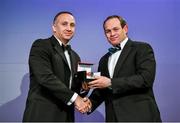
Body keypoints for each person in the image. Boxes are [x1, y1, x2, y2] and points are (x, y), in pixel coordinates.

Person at [87, 15, 162, 122]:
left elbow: (146, 79)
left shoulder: (142, 48)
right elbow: (101, 90)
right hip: (113, 118)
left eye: (115, 29)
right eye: (108, 31)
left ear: (125, 29)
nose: (112, 34)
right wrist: (88, 104)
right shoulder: (104, 60)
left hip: (140, 117)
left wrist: (111, 83)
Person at [23, 11, 90, 122]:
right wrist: (76, 98)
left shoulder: (75, 56)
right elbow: (45, 77)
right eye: (64, 24)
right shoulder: (41, 45)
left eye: (72, 25)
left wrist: (84, 88)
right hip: (42, 115)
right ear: (54, 27)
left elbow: (75, 88)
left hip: (67, 117)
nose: (69, 28)